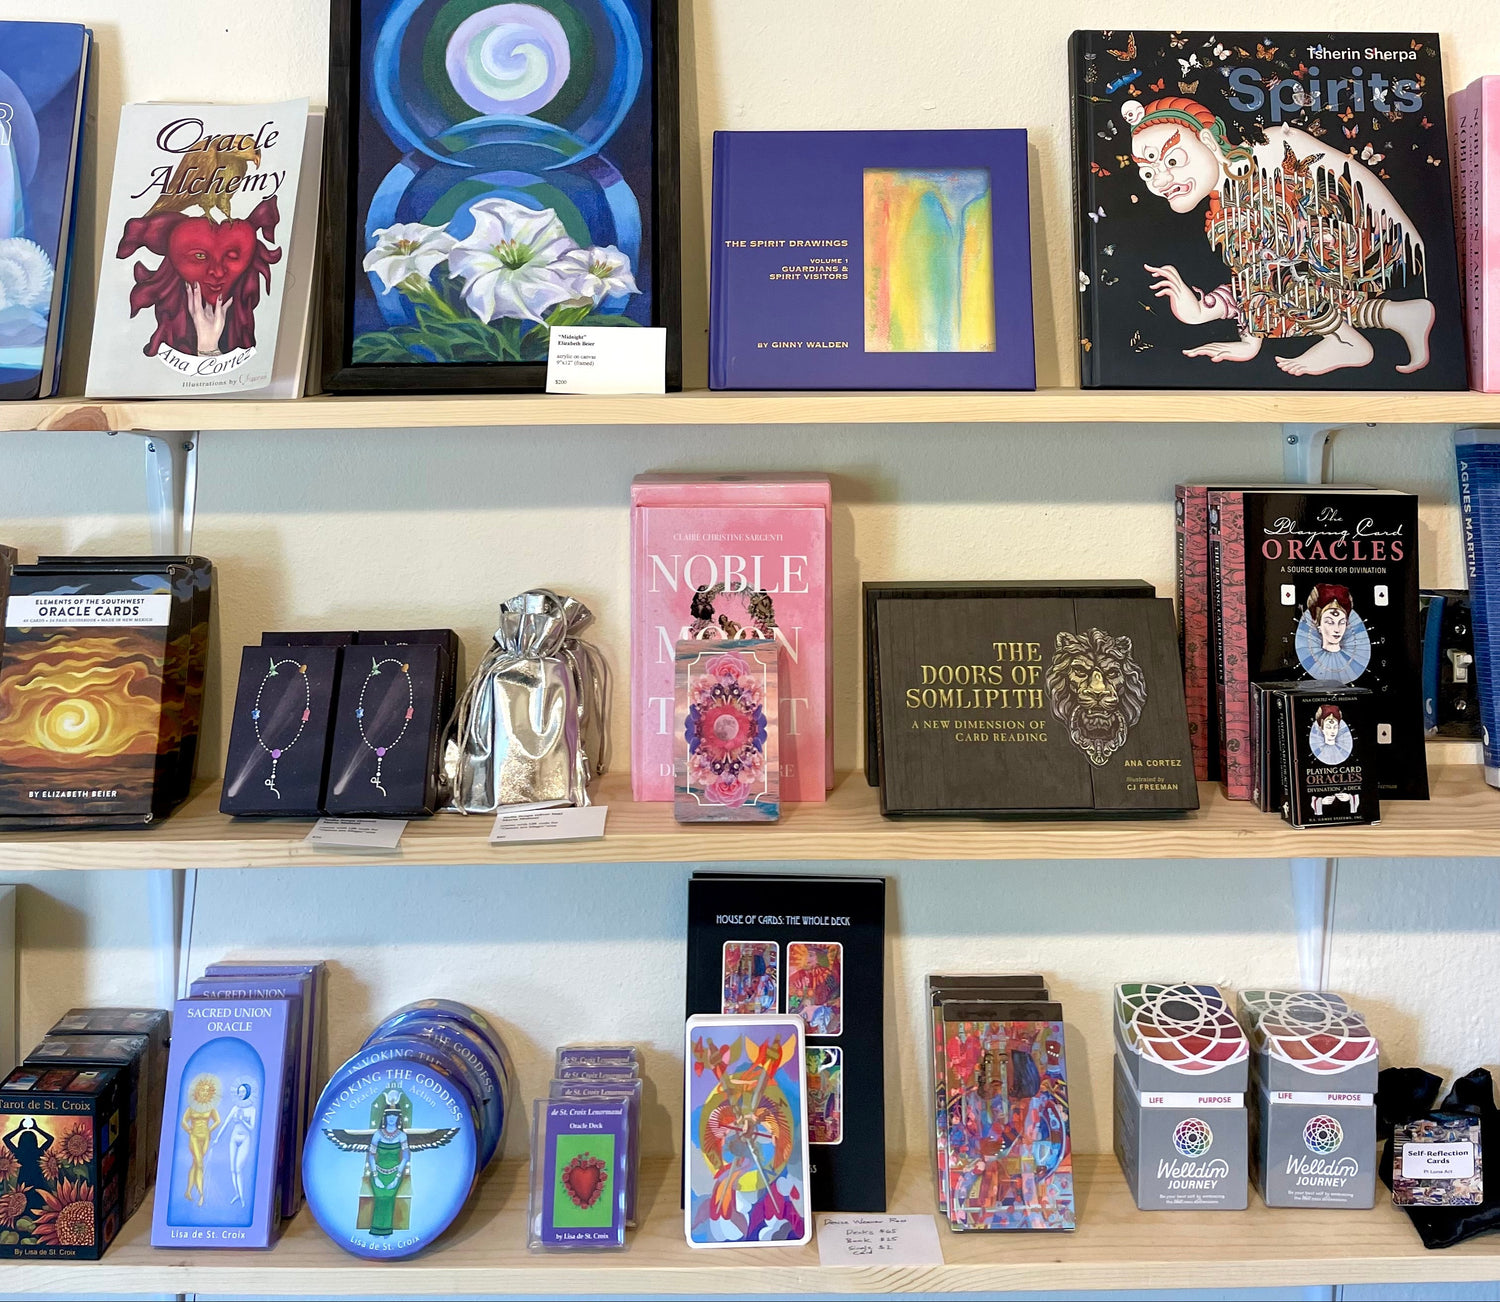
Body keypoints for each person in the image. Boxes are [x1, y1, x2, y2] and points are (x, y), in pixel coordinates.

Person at [1123, 96, 1435, 377]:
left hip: (1362, 244)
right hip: (1322, 261)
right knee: (1281, 275)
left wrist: (1244, 334)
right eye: (1148, 173)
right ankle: (1398, 315)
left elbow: (1271, 272)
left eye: (1172, 160)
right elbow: (1254, 278)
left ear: (1207, 139)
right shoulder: (1224, 212)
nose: (1161, 180)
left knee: (1285, 271)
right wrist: (1205, 312)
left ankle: (1347, 341)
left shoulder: (1265, 162)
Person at [1296, 583, 1371, 681]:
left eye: (1342, 622)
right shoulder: (1311, 658)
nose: (1337, 629)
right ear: (1319, 626)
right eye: (1330, 622)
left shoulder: (1355, 661)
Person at [211, 1080, 259, 1207]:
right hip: (234, 1138)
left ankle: (242, 1197)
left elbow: (252, 1128)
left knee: (239, 1169)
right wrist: (217, 1138)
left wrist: (242, 1120)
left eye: (243, 1091)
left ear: (247, 1093)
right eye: (239, 1092)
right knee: (232, 1169)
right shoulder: (235, 1108)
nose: (241, 1093)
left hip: (245, 1139)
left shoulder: (251, 1109)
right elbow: (226, 1124)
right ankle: (237, 1194)